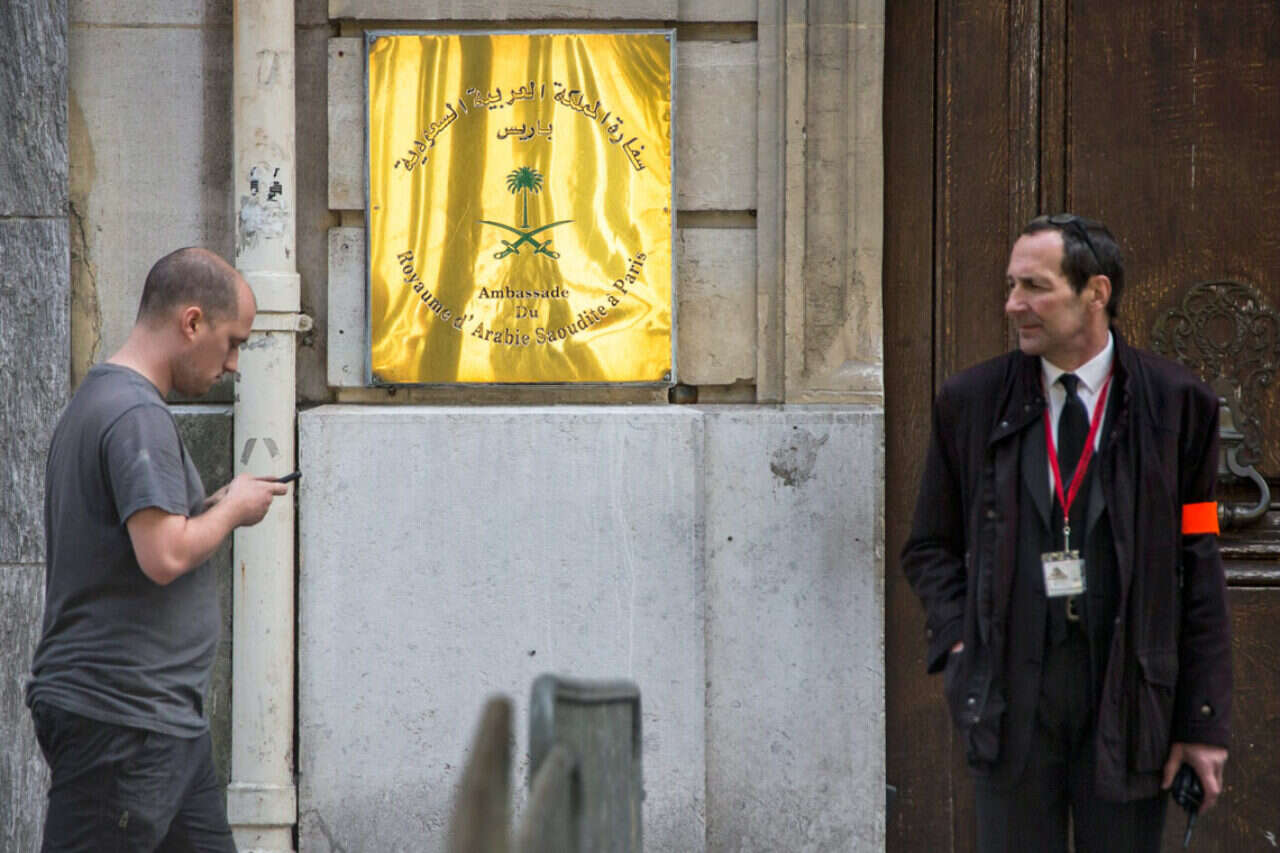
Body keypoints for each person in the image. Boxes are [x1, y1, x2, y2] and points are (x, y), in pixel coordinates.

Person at [902, 215, 1231, 851]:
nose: (1012, 304)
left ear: (1096, 292)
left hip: (1129, 700)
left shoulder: (1177, 403)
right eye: (1011, 285)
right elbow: (929, 546)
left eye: (1034, 286)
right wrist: (962, 644)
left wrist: (1203, 723)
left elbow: (1199, 560)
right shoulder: (972, 401)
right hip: (1009, 702)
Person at [26, 247, 290, 852]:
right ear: (191, 322)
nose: (234, 364)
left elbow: (136, 542)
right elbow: (164, 555)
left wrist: (208, 507)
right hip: (123, 721)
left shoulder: (101, 399)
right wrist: (232, 509)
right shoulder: (136, 414)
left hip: (161, 723)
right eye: (231, 343)